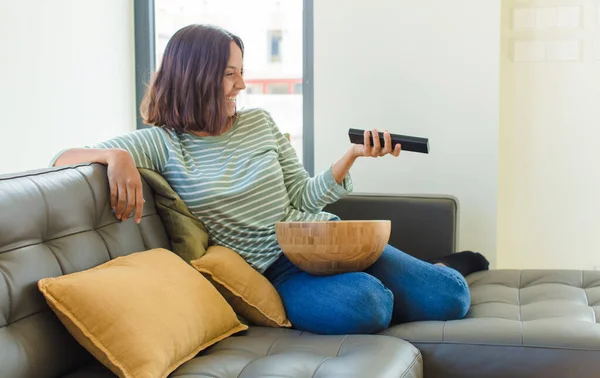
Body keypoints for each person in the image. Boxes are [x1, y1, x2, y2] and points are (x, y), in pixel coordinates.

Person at [52, 24, 489, 335]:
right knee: (368, 305)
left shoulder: (259, 122)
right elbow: (61, 160)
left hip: (326, 240)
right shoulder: (164, 143)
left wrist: (353, 155)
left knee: (452, 298)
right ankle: (399, 286)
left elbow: (301, 194)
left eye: (240, 71)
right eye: (230, 73)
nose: (241, 84)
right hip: (278, 271)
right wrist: (116, 154)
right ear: (195, 77)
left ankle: (432, 271)